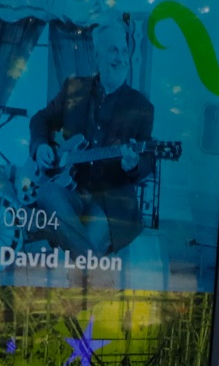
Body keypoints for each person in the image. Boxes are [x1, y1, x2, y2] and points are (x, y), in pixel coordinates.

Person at [29, 16, 157, 254]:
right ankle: (85, 258)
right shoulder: (74, 88)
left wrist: (134, 164)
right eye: (112, 50)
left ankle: (78, 255)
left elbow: (148, 158)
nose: (120, 58)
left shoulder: (141, 106)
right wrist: (40, 146)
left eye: (123, 50)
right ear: (98, 56)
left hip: (109, 204)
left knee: (82, 249)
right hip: (69, 190)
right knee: (47, 193)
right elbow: (40, 119)